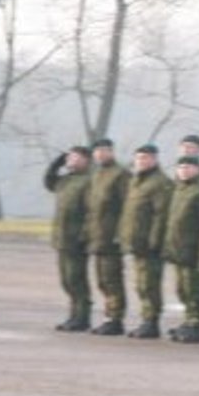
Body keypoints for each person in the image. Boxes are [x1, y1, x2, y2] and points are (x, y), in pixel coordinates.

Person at [118, 143, 174, 339]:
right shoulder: (136, 182)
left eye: (146, 158)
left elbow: (162, 215)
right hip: (137, 243)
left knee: (150, 284)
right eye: (139, 158)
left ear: (155, 159)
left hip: (150, 246)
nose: (141, 161)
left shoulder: (160, 183)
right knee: (141, 284)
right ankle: (146, 319)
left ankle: (151, 322)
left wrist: (154, 241)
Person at [161, 148, 199, 343]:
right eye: (181, 167)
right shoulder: (178, 189)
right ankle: (188, 319)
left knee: (194, 289)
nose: (184, 170)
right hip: (177, 249)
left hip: (193, 249)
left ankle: (195, 322)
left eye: (188, 167)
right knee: (182, 289)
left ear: (197, 169)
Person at [43, 145, 94, 331]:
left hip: (77, 239)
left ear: (85, 160)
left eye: (75, 157)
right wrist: (55, 164)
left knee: (77, 279)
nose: (71, 160)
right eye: (70, 157)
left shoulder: (88, 180)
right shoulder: (66, 180)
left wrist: (85, 235)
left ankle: (82, 317)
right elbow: (49, 183)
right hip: (62, 237)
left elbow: (91, 212)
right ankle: (73, 315)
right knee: (66, 280)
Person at [86, 138, 129, 335]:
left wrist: (121, 234)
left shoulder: (120, 174)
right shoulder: (97, 174)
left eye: (104, 150)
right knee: (102, 280)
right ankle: (108, 315)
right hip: (98, 236)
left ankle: (115, 317)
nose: (100, 154)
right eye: (97, 151)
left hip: (112, 237)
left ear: (111, 152)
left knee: (112, 279)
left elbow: (127, 207)